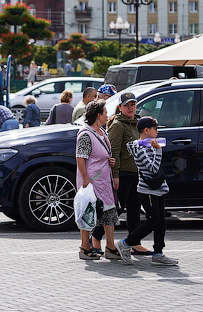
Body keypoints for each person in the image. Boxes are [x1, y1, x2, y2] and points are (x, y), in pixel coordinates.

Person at [93, 91, 151, 256]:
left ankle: (134, 242)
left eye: (133, 104)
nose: (131, 108)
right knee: (117, 208)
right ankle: (96, 236)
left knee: (134, 208)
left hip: (136, 172)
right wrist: (115, 175)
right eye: (127, 105)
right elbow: (113, 152)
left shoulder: (138, 122)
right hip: (124, 173)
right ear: (120, 107)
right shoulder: (118, 125)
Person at [117, 116, 178, 266]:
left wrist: (155, 149)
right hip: (147, 190)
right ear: (146, 130)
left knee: (161, 222)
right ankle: (125, 244)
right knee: (153, 221)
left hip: (158, 189)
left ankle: (158, 253)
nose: (157, 132)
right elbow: (153, 168)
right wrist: (158, 152)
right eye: (155, 129)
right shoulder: (139, 148)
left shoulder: (150, 145)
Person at [75, 101, 118, 260]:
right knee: (88, 212)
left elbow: (103, 154)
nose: (107, 115)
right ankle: (85, 248)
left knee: (109, 212)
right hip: (92, 182)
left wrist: (110, 161)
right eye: (105, 112)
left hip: (104, 181)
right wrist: (86, 181)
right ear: (98, 115)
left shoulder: (102, 132)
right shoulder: (86, 134)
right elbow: (80, 159)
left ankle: (110, 247)